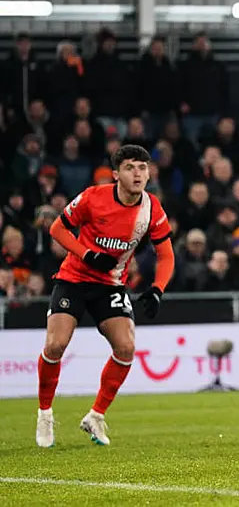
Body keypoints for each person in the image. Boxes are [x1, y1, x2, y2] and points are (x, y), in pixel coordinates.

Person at [35, 144, 175, 448]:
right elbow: (58, 229)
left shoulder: (152, 209)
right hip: (73, 279)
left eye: (142, 167)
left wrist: (157, 290)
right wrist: (86, 254)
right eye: (130, 168)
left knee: (126, 348)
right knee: (56, 344)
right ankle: (45, 413)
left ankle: (96, 416)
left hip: (110, 285)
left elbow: (166, 256)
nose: (137, 174)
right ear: (116, 174)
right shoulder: (93, 197)